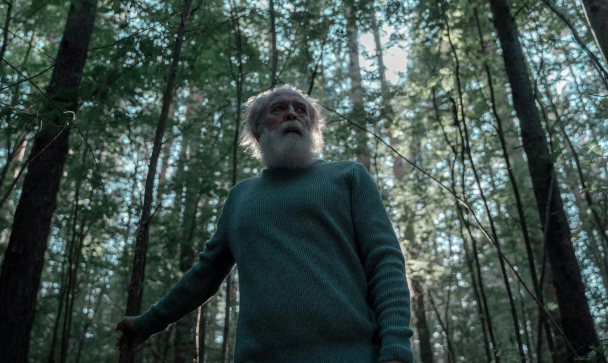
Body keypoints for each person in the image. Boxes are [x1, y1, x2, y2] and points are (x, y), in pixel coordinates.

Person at [116, 84, 413, 363]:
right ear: (258, 130)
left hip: (352, 354)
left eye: (301, 109)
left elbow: (384, 261)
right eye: (278, 108)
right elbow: (203, 276)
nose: (292, 114)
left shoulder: (348, 177)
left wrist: (396, 347)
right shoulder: (240, 197)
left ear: (313, 127)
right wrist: (147, 323)